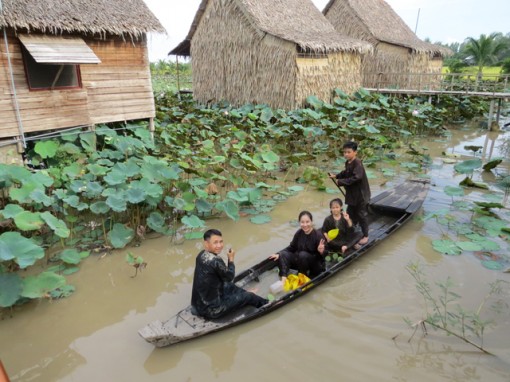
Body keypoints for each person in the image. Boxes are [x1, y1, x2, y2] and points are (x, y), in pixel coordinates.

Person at [191, 229, 268, 319]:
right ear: (206, 244)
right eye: (215, 243)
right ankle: (267, 304)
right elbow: (230, 277)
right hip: (213, 310)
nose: (219, 246)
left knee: (228, 285)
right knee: (249, 297)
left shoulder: (200, 255)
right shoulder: (215, 261)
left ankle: (243, 294)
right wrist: (231, 259)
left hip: (197, 306)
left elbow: (220, 278)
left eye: (221, 242)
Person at [328, 141, 371, 249]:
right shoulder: (348, 163)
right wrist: (336, 176)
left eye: (349, 152)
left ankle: (365, 235)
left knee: (361, 215)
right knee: (349, 214)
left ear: (355, 152)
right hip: (352, 194)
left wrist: (341, 182)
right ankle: (351, 233)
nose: (346, 154)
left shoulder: (358, 163)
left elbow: (357, 177)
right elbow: (346, 172)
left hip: (361, 195)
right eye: (344, 152)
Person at [269, 211, 326, 281]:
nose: (305, 225)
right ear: (299, 222)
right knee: (283, 254)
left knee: (302, 255)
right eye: (302, 222)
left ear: (311, 222)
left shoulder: (318, 235)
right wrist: (279, 255)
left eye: (307, 222)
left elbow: (324, 257)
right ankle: (283, 279)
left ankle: (303, 278)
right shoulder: (299, 233)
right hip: (301, 263)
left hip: (315, 266)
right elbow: (291, 248)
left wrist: (321, 251)